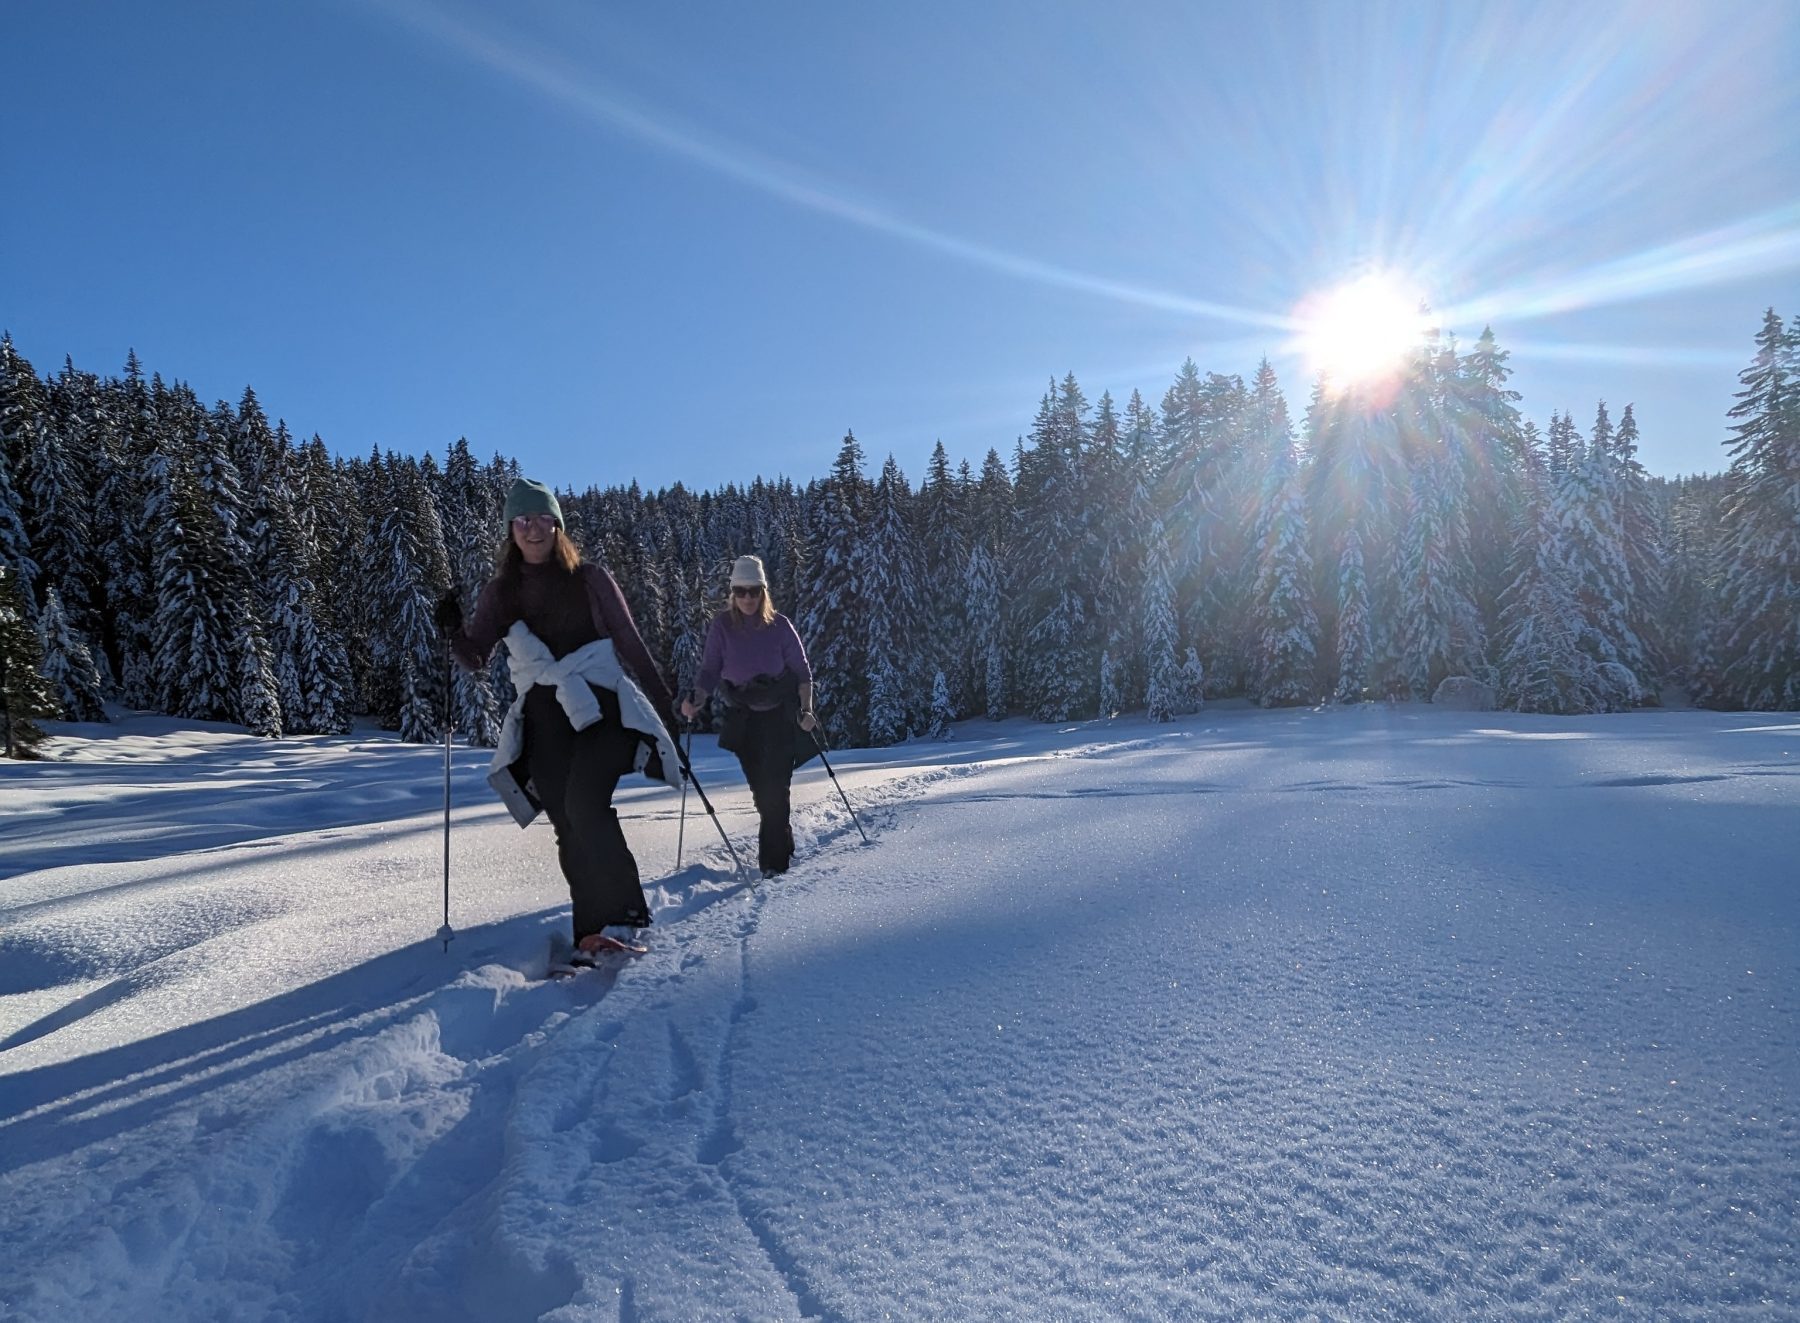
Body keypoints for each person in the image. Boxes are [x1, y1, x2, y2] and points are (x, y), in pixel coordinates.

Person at [436, 477, 680, 960]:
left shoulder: (589, 578)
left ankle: (627, 914)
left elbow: (629, 641)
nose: (533, 529)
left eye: (543, 518)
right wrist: (451, 631)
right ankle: (590, 931)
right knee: (567, 822)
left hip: (600, 705)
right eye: (523, 520)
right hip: (543, 716)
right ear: (510, 528)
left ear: (557, 524)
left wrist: (664, 706)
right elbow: (477, 656)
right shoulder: (501, 592)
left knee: (586, 804)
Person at [679, 555, 816, 878]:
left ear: (763, 591)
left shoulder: (780, 626)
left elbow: (802, 672)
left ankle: (773, 867)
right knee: (762, 794)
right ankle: (782, 839)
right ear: (732, 593)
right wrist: (696, 698)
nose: (747, 598)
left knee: (775, 792)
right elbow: (710, 670)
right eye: (741, 591)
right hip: (744, 721)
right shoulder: (722, 626)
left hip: (780, 717)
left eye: (754, 591)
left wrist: (807, 709)